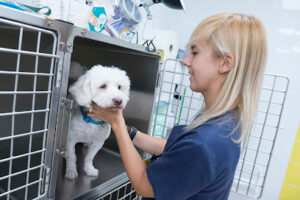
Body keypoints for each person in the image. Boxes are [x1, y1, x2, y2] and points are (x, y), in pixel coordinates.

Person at [86, 13, 267, 200]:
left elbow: (143, 184)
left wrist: (116, 124)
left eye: (195, 53)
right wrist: (129, 131)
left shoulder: (205, 143)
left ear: (225, 63)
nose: (185, 61)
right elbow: (179, 150)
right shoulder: (225, 121)